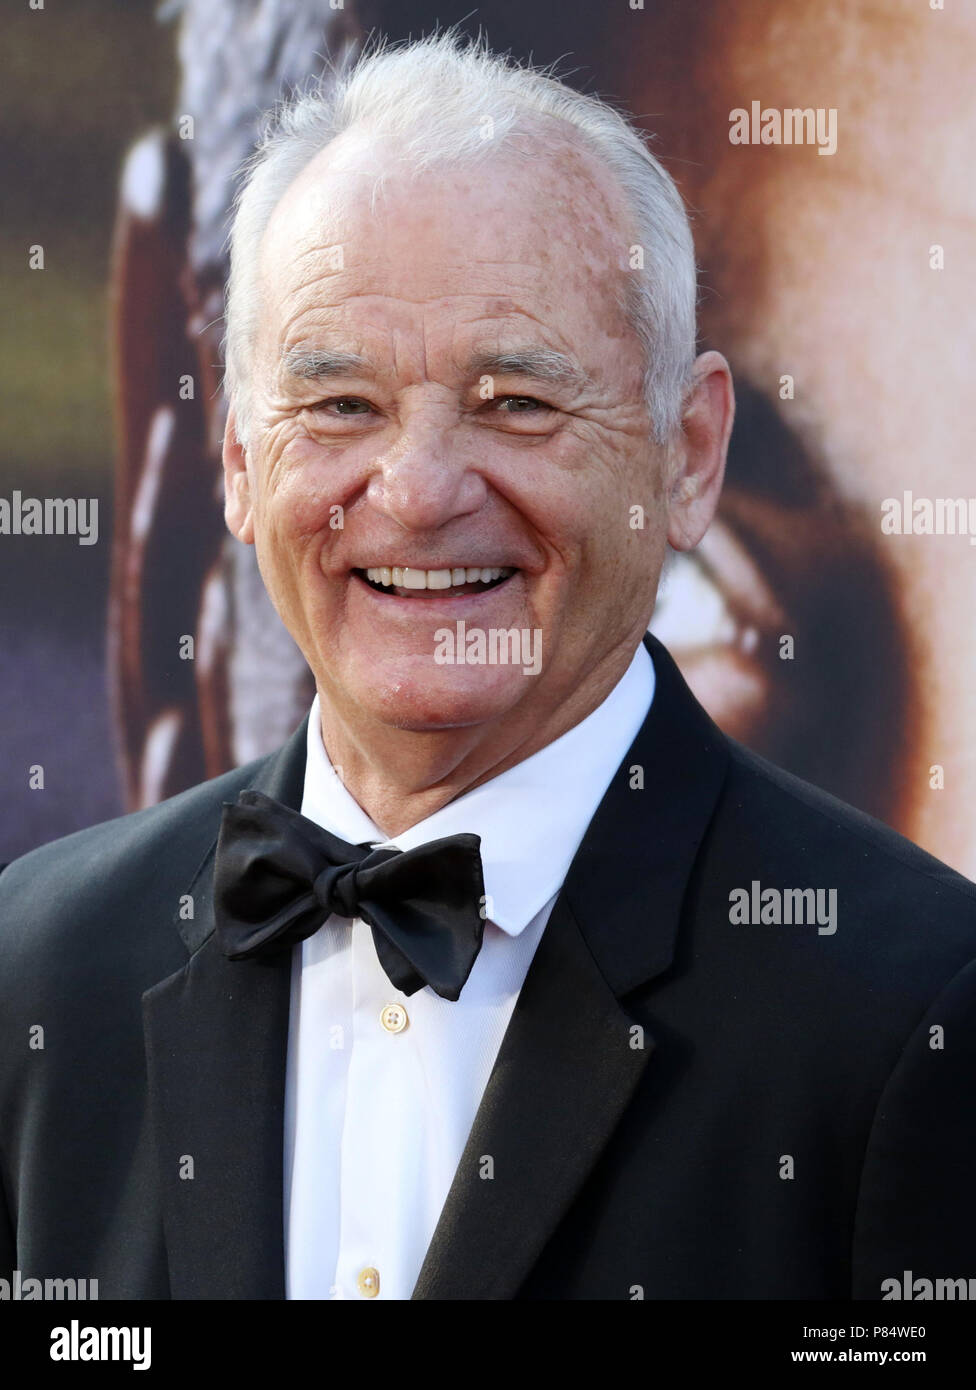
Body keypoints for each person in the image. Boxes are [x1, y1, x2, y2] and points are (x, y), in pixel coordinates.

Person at [1, 32, 974, 1301]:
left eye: (517, 400)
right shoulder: (40, 971)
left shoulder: (915, 1010)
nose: (416, 492)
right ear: (235, 465)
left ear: (685, 454)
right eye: (340, 405)